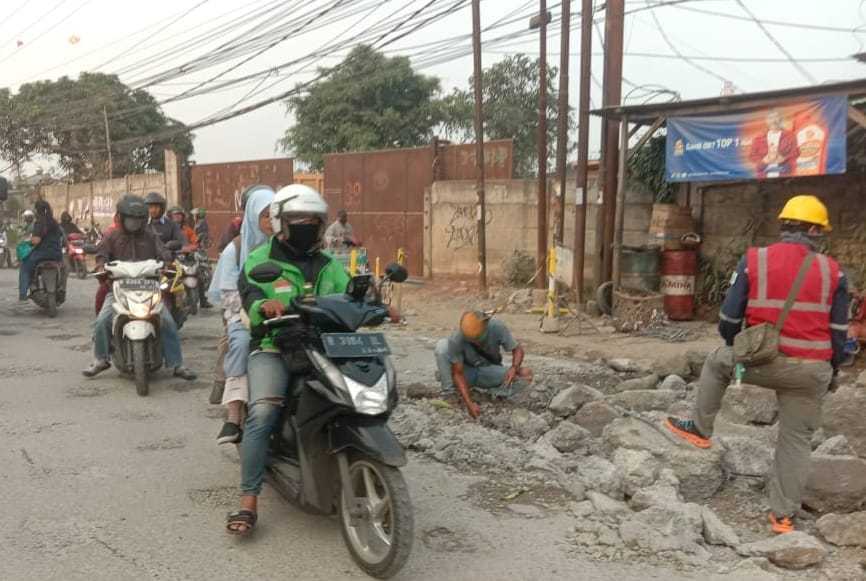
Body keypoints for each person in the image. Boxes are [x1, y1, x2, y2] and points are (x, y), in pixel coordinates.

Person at [666, 195, 846, 535]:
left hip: (760, 362)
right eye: (820, 231)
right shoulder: (834, 272)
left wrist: (741, 347)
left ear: (784, 226)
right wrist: (832, 370)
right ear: (813, 230)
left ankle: (701, 431)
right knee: (795, 441)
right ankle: (783, 517)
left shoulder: (754, 260)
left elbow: (728, 320)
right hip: (811, 371)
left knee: (718, 362)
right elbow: (838, 334)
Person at [226, 184, 350, 535]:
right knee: (264, 412)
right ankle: (248, 499)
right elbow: (249, 293)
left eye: (313, 219)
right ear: (281, 222)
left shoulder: (328, 263)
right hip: (274, 345)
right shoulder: (260, 260)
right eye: (298, 218)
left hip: (323, 345)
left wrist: (375, 302)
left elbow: (348, 292)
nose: (306, 224)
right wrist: (262, 306)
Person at [82, 194, 196, 381]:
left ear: (143, 220)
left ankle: (177, 364)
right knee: (102, 321)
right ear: (121, 217)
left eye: (138, 219)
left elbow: (164, 253)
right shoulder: (111, 236)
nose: (134, 223)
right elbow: (101, 255)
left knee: (167, 321)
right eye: (130, 219)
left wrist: (168, 262)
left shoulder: (151, 236)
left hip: (150, 287)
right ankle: (100, 359)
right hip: (119, 289)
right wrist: (101, 266)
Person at [207, 186, 275, 444]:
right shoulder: (234, 250)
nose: (271, 222)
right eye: (265, 215)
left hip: (284, 316)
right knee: (242, 342)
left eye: (275, 215)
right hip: (244, 317)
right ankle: (233, 416)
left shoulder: (287, 246)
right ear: (252, 217)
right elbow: (229, 296)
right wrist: (257, 310)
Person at [434, 311, 533, 419]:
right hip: (466, 373)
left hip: (486, 371)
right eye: (471, 340)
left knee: (525, 374)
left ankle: (492, 394)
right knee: (442, 346)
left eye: (477, 338)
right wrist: (469, 404)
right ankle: (449, 393)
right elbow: (458, 373)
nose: (475, 342)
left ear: (485, 326)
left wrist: (514, 368)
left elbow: (517, 349)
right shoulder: (457, 338)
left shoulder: (496, 326)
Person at [18, 200, 64, 301]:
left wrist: (28, 241)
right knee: (64, 268)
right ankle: (61, 289)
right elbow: (61, 235)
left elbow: (36, 241)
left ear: (36, 210)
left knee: (25, 266)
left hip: (42, 254)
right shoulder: (54, 221)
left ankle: (22, 295)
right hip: (56, 254)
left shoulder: (39, 222)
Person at [749, 109, 800, 179]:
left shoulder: (790, 136)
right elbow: (752, 156)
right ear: (766, 121)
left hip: (785, 175)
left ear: (781, 120)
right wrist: (763, 161)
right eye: (770, 118)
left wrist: (784, 158)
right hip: (764, 175)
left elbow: (796, 153)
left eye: (776, 117)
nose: (774, 121)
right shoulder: (758, 138)